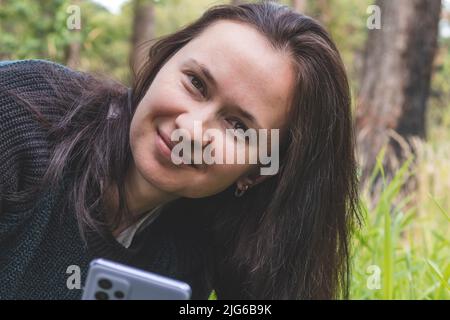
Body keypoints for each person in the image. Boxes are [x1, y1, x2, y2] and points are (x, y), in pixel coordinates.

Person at [0, 1, 360, 300]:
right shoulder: (21, 114)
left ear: (258, 170)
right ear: (161, 63)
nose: (191, 129)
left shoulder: (192, 259)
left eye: (237, 127)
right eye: (196, 83)